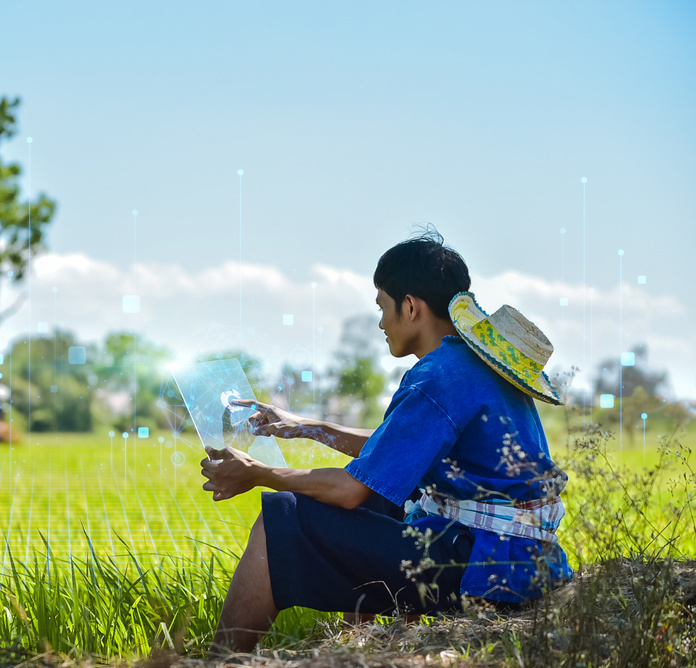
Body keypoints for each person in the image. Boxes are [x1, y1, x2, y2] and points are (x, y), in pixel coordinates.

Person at [200, 230, 573, 655]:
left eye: (382, 305)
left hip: (485, 570)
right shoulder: (470, 368)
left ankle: (220, 662)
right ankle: (356, 646)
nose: (380, 321)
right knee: (383, 498)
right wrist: (304, 426)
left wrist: (257, 473)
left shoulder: (437, 378)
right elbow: (393, 452)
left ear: (410, 307)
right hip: (519, 560)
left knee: (281, 519)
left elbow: (350, 490)